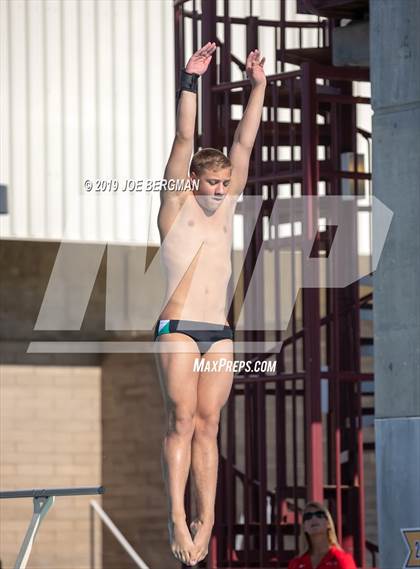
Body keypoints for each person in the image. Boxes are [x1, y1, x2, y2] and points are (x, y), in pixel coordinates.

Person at [153, 42, 266, 566]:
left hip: (218, 331)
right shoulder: (175, 206)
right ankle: (176, 515)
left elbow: (244, 143)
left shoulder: (224, 210)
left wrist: (258, 85)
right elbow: (183, 136)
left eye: (225, 184)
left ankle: (208, 517)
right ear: (193, 180)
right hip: (177, 326)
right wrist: (189, 79)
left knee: (207, 425)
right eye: (212, 182)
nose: (220, 190)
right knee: (180, 420)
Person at [288, 502, 358, 569]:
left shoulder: (342, 559)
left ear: (328, 523)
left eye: (319, 515)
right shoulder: (296, 564)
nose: (313, 518)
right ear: (304, 527)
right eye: (308, 516)